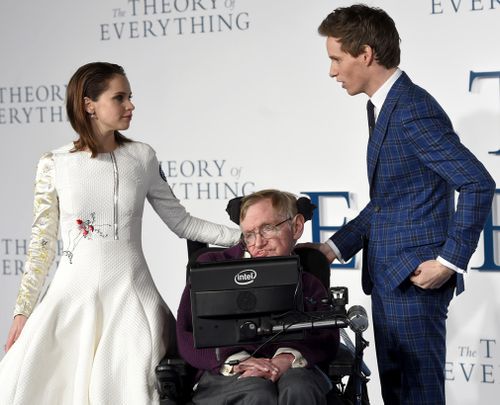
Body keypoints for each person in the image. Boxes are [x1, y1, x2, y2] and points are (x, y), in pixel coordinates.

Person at [0, 62, 241, 405]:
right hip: (71, 299)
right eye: (120, 97)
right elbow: (41, 244)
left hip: (132, 295)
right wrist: (23, 312)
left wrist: (246, 237)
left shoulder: (142, 157)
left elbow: (182, 223)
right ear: (89, 105)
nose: (130, 105)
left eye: (130, 97)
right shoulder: (54, 163)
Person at [312, 5, 496, 405]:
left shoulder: (412, 110)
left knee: (419, 396)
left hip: (414, 281)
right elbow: (388, 204)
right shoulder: (380, 106)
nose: (332, 71)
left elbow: (478, 183)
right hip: (391, 280)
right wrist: (331, 248)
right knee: (399, 396)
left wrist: (448, 263)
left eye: (336, 59)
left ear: (365, 54)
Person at [176, 189, 340, 405]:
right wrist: (237, 361)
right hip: (228, 371)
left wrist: (288, 358)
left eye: (268, 228)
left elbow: (327, 336)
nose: (258, 243)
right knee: (257, 392)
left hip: (296, 370)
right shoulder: (211, 268)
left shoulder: (309, 281)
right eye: (249, 234)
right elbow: (186, 334)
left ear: (297, 226)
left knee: (298, 387)